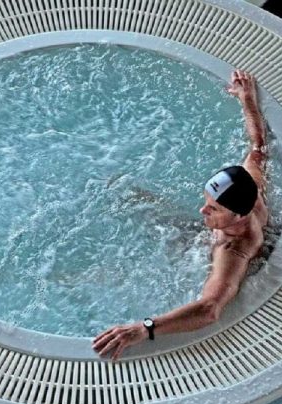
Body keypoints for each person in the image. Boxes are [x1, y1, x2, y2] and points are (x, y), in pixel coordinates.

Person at [92, 69, 269, 361]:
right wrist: (247, 99)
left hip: (209, 253)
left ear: (239, 215)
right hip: (213, 231)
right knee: (128, 193)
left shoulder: (232, 251)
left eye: (213, 208)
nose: (202, 209)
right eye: (206, 200)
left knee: (118, 274)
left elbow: (209, 309)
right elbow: (258, 146)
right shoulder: (250, 182)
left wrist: (144, 328)